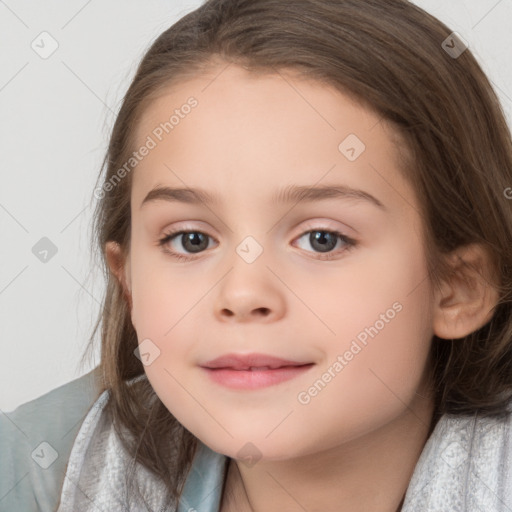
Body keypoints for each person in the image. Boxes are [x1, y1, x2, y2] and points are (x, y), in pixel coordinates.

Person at [2, 0, 512, 510]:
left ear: (457, 287)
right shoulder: (36, 470)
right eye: (190, 240)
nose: (243, 294)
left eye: (322, 239)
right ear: (128, 279)